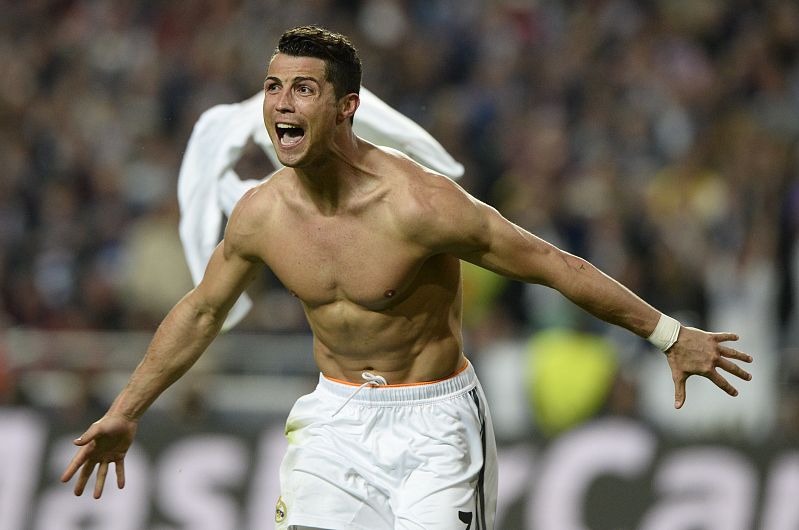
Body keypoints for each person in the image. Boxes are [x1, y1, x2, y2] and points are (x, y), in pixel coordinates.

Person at [61, 25, 753, 529]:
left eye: (303, 88)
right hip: (334, 419)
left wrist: (667, 334)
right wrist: (127, 409)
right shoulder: (260, 214)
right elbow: (203, 311)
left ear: (346, 106)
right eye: (273, 88)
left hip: (436, 423)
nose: (280, 104)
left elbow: (554, 266)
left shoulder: (420, 206)